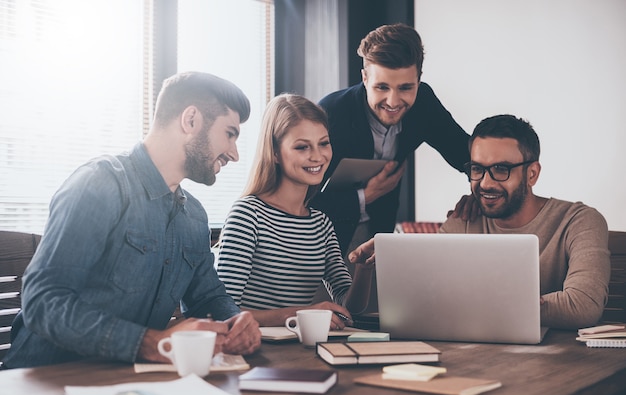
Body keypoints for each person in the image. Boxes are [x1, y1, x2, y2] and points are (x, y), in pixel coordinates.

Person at [2, 72, 261, 369]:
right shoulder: (99, 185)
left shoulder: (195, 216)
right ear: (190, 120)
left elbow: (207, 296)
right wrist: (153, 344)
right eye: (230, 133)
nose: (235, 154)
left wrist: (235, 321)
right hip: (42, 383)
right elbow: (42, 302)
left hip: (127, 383)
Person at [350, 114, 611, 330]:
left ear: (532, 174)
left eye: (501, 169)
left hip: (557, 367)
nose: (486, 183)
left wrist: (473, 307)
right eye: (477, 169)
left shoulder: (580, 222)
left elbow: (582, 306)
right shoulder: (463, 221)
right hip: (471, 361)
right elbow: (428, 301)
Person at [310, 23, 472, 257]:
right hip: (320, 235)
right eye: (382, 87)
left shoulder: (424, 103)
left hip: (380, 233)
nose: (393, 101)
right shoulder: (330, 113)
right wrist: (365, 197)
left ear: (419, 79)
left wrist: (480, 190)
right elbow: (301, 199)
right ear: (365, 78)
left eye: (406, 87)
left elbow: (462, 150)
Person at [217, 94, 373, 328]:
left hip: (296, 350)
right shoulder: (249, 215)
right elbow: (224, 313)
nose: (318, 156)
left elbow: (348, 307)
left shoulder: (321, 224)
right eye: (302, 147)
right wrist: (304, 313)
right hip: (253, 353)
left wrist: (364, 267)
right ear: (275, 153)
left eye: (324, 143)